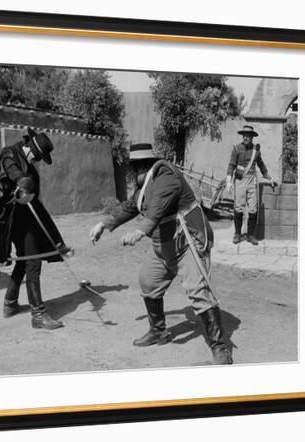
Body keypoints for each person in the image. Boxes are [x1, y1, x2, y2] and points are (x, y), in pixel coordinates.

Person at [89, 144, 233, 365]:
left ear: (143, 166)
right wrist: (103, 223)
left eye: (133, 168)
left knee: (198, 291)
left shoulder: (166, 176)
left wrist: (139, 231)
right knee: (148, 281)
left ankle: (220, 346)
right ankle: (159, 331)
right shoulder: (145, 185)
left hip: (188, 241)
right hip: (164, 244)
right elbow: (130, 206)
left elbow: (156, 208)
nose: (130, 173)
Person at [0, 127, 69, 330]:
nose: (37, 161)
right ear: (29, 147)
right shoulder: (9, 154)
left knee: (23, 261)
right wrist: (22, 182)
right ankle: (38, 315)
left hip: (26, 220)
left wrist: (57, 240)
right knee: (33, 261)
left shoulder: (31, 169)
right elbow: (13, 172)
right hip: (9, 220)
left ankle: (10, 304)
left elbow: (35, 202)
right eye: (37, 157)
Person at [225, 125, 277, 245]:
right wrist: (229, 179)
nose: (246, 137)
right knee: (238, 207)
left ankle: (250, 235)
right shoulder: (237, 148)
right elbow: (231, 165)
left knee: (253, 209)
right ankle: (237, 234)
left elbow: (261, 165)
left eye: (248, 135)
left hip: (252, 180)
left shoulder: (256, 151)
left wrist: (270, 178)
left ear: (252, 137)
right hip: (239, 180)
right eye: (244, 135)